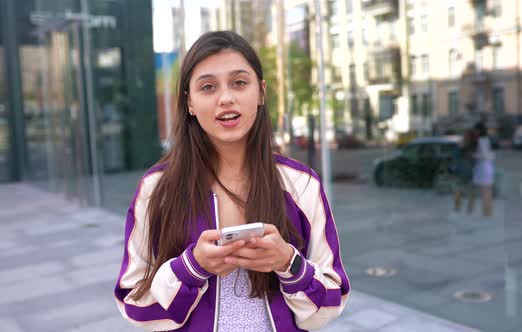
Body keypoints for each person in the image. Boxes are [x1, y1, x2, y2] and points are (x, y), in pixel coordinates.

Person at [114, 31, 350, 332]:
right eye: (208, 87)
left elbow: (330, 302)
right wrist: (192, 267)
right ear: (189, 102)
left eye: (239, 82)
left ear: (261, 92)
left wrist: (288, 262)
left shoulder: (301, 184)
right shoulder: (157, 189)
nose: (226, 98)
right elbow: (133, 302)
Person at [468, 121, 495, 216]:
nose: (475, 132)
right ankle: (488, 211)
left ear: (479, 130)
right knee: (488, 191)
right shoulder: (487, 140)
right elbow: (491, 154)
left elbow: (483, 155)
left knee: (484, 191)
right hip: (488, 166)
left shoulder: (481, 141)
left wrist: (474, 155)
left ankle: (486, 212)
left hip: (482, 167)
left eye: (476, 130)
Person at [453, 129, 476, 213]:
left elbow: (455, 158)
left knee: (459, 190)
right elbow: (474, 161)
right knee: (471, 192)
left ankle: (457, 207)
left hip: (461, 171)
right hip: (470, 171)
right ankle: (469, 209)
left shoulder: (460, 146)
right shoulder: (472, 147)